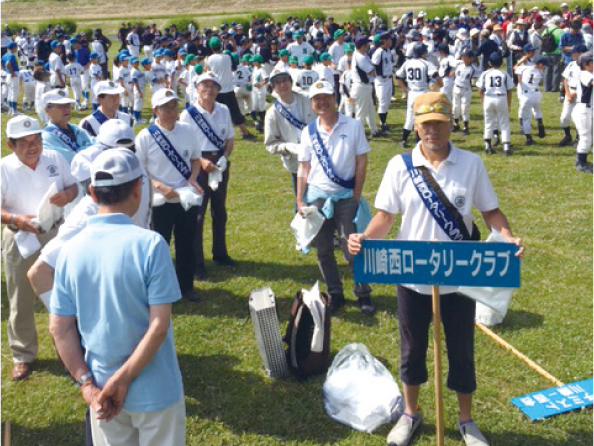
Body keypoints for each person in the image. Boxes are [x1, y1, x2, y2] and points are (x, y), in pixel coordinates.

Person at [347, 92, 524, 446]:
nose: (433, 131)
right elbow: (385, 217)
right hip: (413, 276)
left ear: (450, 125)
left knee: (461, 349)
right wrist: (363, 239)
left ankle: (466, 420)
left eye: (440, 124)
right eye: (426, 124)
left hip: (459, 277)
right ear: (416, 127)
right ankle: (411, 414)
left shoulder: (471, 163)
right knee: (411, 349)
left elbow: (489, 212)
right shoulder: (400, 165)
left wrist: (505, 236)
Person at [49, 148, 186, 446]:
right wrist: (123, 380)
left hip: (101, 392)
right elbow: (159, 326)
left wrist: (88, 385)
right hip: (156, 390)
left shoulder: (70, 251)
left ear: (92, 192)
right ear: (138, 188)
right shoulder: (150, 245)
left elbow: (59, 327)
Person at [1, 115, 77, 381]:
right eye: (25, 143)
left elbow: (73, 186)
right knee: (20, 297)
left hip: (55, 232)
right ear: (11, 145)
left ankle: (69, 350)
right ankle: (23, 355)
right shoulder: (3, 168)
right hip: (19, 236)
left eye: (37, 140)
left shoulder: (55, 159)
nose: (34, 147)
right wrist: (14, 219)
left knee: (62, 293)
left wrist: (67, 195)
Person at [296, 80, 375, 315]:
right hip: (317, 197)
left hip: (346, 195)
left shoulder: (353, 126)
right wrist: (300, 200)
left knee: (351, 246)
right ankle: (335, 293)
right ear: (311, 103)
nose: (322, 102)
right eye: (316, 99)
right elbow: (303, 167)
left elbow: (361, 161)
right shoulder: (308, 131)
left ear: (334, 98)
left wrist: (357, 193)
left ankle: (363, 293)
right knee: (323, 249)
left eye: (326, 97)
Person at [136, 89, 202, 299]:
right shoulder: (146, 136)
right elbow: (139, 168)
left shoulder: (187, 130)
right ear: (155, 110)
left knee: (186, 243)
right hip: (159, 200)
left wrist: (192, 178)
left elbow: (195, 159)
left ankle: (186, 286)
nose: (172, 111)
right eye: (166, 107)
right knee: (159, 247)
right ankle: (159, 290)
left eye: (174, 106)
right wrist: (158, 185)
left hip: (185, 197)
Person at [179, 73, 236, 279]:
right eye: (205, 85)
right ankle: (197, 262)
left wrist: (225, 157)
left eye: (214, 86)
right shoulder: (188, 114)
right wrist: (202, 162)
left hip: (219, 164)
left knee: (219, 211)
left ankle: (220, 254)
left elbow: (229, 139)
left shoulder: (223, 110)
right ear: (197, 88)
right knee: (198, 215)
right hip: (197, 166)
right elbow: (185, 144)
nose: (209, 90)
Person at [264, 69, 316, 199]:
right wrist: (289, 147)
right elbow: (270, 145)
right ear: (274, 88)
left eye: (285, 80)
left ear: (291, 82)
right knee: (302, 199)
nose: (282, 85)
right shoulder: (272, 113)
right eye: (277, 83)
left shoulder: (308, 99)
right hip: (296, 161)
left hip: (318, 154)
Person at [206, 36, 255, 140]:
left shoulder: (209, 59)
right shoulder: (227, 57)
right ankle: (245, 132)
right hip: (228, 89)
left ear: (211, 47)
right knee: (235, 112)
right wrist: (230, 41)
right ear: (220, 46)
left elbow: (208, 71)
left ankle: (217, 134)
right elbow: (234, 65)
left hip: (216, 89)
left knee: (216, 113)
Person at [396, 43, 440, 148]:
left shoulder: (407, 63)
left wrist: (404, 88)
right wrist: (440, 84)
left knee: (410, 118)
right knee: (422, 117)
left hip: (412, 92)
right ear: (424, 53)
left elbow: (398, 76)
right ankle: (418, 141)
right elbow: (435, 75)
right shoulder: (426, 63)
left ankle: (403, 139)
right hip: (423, 93)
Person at [41, 89, 94, 165]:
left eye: (67, 105)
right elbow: (71, 160)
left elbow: (97, 145)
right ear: (47, 110)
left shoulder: (77, 129)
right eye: (60, 106)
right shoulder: (46, 137)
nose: (66, 109)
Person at [476, 53, 515, 155]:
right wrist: (508, 104)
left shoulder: (485, 74)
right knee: (504, 122)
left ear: (489, 63)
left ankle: (487, 146)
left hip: (488, 97)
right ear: (502, 63)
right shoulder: (505, 74)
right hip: (501, 97)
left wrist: (483, 101)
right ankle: (506, 147)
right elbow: (509, 90)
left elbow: (479, 89)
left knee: (488, 122)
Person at [558, 45, 587, 146]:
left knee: (579, 117)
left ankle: (579, 137)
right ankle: (567, 136)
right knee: (564, 117)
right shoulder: (571, 64)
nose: (573, 55)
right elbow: (566, 79)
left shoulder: (587, 66)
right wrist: (567, 93)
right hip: (570, 93)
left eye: (575, 53)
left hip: (582, 94)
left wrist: (575, 93)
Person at [515, 56, 548, 145]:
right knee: (537, 109)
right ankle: (540, 123)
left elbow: (515, 69)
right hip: (537, 94)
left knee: (526, 118)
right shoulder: (540, 72)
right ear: (540, 64)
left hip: (527, 95)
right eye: (544, 65)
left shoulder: (524, 68)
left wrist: (521, 61)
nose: (545, 67)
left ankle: (528, 138)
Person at [571, 52, 593, 173]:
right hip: (583, 109)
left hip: (589, 109)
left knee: (590, 137)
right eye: (592, 61)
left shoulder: (589, 73)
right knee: (585, 137)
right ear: (586, 64)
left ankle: (582, 161)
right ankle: (581, 163)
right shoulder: (585, 74)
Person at [371, 32, 394, 135]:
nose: (391, 41)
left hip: (388, 79)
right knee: (382, 102)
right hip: (381, 80)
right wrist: (377, 76)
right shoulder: (378, 52)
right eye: (389, 39)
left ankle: (384, 122)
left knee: (387, 102)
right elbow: (373, 65)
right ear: (384, 41)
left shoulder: (388, 51)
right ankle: (382, 124)